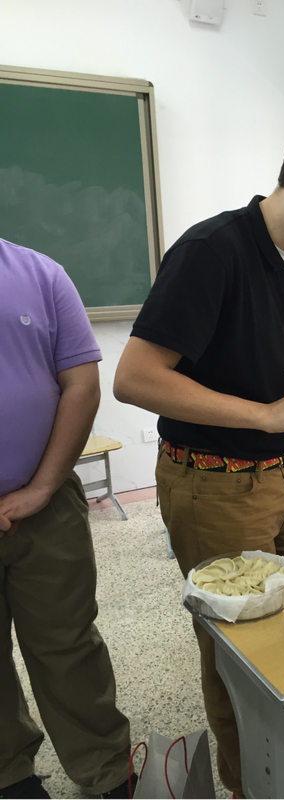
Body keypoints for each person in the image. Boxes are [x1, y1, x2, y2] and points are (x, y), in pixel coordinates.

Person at [113, 107, 284, 797]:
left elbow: (278, 366)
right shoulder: (212, 251)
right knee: (239, 652)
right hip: (214, 483)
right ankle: (250, 785)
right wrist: (266, 416)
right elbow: (135, 378)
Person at [0, 240, 132, 799]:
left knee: (69, 644)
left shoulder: (42, 274)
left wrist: (41, 488)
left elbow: (81, 384)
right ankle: (9, 774)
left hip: (45, 504)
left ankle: (106, 770)